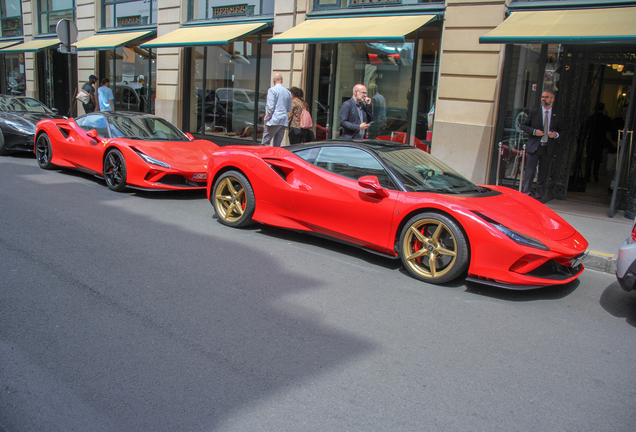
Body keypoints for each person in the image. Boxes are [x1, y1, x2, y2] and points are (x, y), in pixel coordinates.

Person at [520, 89, 560, 202]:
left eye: (546, 97)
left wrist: (555, 134)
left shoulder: (556, 114)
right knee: (530, 172)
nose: (543, 99)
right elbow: (524, 126)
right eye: (542, 96)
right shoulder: (535, 112)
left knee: (543, 173)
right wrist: (534, 131)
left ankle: (539, 196)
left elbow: (562, 130)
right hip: (534, 147)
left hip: (547, 147)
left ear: (552, 99)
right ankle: (526, 194)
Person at [583, 102, 612, 183]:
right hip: (601, 142)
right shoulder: (607, 119)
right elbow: (608, 132)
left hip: (591, 141)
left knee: (589, 159)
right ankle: (595, 174)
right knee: (598, 160)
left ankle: (587, 175)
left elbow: (586, 129)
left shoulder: (591, 118)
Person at [262, 73, 292, 147]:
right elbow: (289, 108)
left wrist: (266, 120)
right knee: (277, 145)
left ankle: (266, 158)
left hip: (274, 119)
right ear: (282, 80)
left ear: (273, 80)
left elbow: (270, 107)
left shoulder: (272, 90)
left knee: (265, 143)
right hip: (283, 120)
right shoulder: (288, 92)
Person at [608, 105, 627, 191]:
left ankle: (613, 186)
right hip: (613, 149)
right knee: (610, 168)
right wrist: (612, 142)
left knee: (618, 170)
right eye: (622, 111)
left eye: (625, 111)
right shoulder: (616, 121)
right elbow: (608, 132)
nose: (623, 113)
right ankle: (611, 183)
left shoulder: (630, 123)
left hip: (623, 151)